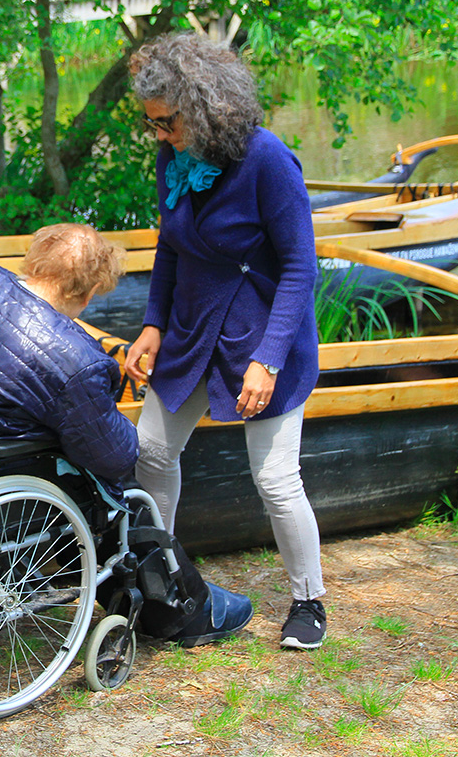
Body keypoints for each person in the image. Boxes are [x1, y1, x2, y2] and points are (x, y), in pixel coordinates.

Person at [0, 223, 253, 647]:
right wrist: (125, 426)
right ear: (91, 291)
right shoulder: (79, 360)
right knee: (122, 496)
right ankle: (184, 612)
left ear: (35, 260)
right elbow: (116, 457)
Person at [124, 32, 328, 650]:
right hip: (190, 332)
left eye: (167, 122)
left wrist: (269, 359)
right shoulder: (172, 159)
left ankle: (309, 600)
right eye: (152, 124)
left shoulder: (268, 160)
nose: (159, 135)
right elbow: (170, 247)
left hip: (262, 337)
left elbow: (300, 268)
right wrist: (153, 324)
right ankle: (160, 584)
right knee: (150, 454)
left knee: (275, 480)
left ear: (205, 105)